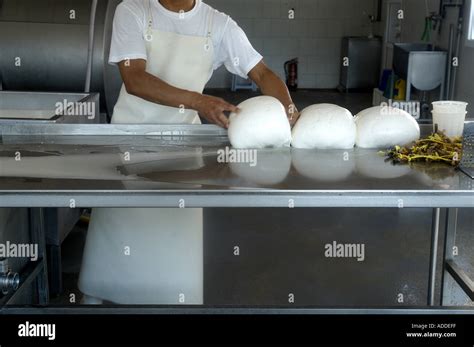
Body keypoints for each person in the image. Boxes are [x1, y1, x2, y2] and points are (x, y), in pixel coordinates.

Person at [78, 0, 298, 304]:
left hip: (184, 145)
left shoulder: (216, 24)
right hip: (131, 141)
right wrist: (199, 102)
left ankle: (176, 296)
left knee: (175, 235)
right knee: (120, 225)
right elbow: (134, 79)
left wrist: (290, 112)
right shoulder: (134, 10)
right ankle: (101, 291)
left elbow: (261, 73)